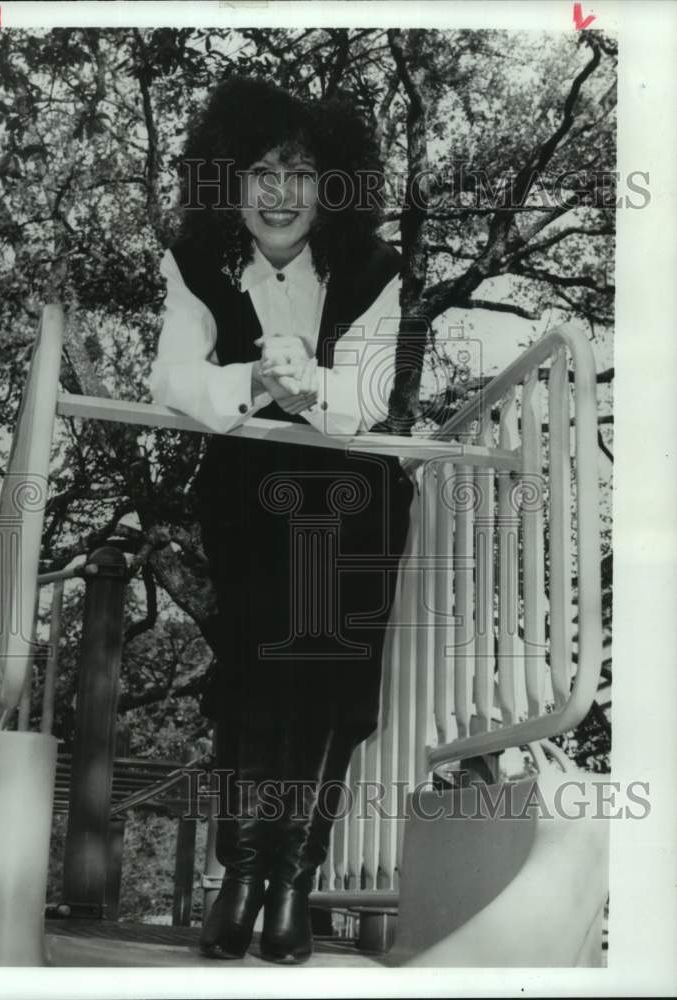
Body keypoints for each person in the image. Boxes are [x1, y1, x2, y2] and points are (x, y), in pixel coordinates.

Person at [148, 77, 415, 964]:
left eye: (300, 171)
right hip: (252, 499)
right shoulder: (196, 265)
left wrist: (313, 387)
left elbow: (369, 397)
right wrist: (259, 382)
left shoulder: (373, 272)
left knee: (332, 689)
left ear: (332, 183)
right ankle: (243, 874)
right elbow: (175, 382)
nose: (278, 191)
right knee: (256, 679)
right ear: (228, 180)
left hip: (352, 505)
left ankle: (292, 877)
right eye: (258, 169)